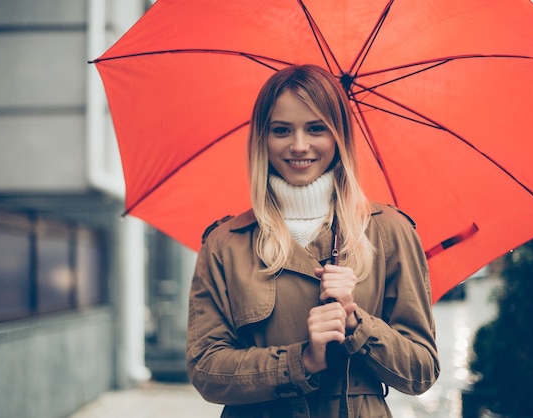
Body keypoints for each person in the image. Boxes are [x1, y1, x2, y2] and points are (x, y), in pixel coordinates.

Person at [186, 64, 439, 418]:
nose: (299, 146)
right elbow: (206, 371)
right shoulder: (226, 244)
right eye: (281, 130)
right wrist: (301, 360)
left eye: (316, 128)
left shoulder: (389, 232)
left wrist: (356, 322)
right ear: (263, 138)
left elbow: (421, 372)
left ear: (339, 136)